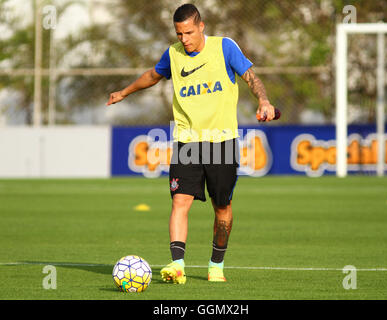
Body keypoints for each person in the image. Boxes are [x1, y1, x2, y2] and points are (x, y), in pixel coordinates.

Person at [107, 3, 276, 284]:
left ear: (201, 27)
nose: (183, 39)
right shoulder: (173, 54)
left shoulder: (224, 47)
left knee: (221, 206)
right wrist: (124, 92)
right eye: (178, 34)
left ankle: (216, 266)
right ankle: (177, 265)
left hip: (221, 141)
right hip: (187, 141)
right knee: (179, 201)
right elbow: (153, 75)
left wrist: (264, 100)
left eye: (188, 32)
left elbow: (250, 77)